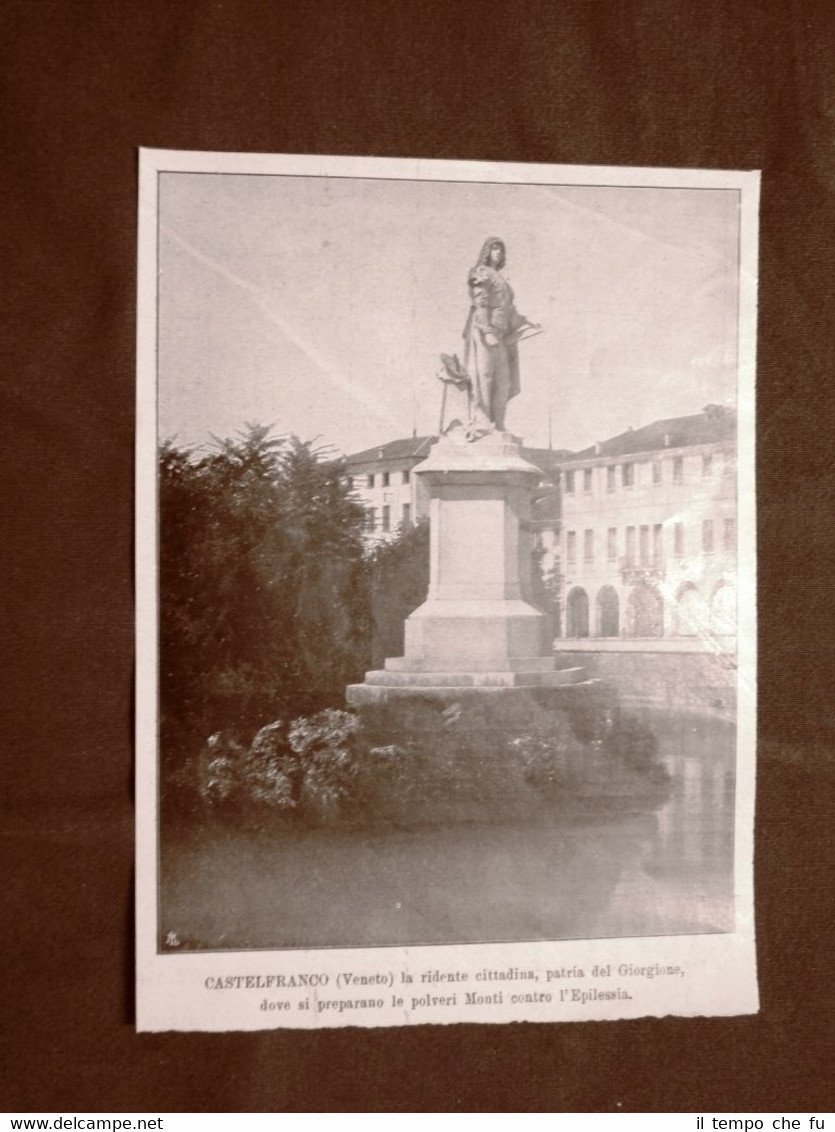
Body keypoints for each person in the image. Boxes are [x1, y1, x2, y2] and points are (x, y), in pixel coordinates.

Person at [463, 237, 535, 437]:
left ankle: (499, 423)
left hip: (501, 335)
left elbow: (509, 311)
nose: (499, 252)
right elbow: (480, 303)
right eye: (495, 248)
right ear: (487, 251)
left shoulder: (503, 281)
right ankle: (483, 422)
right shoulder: (481, 272)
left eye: (501, 249)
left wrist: (527, 323)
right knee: (485, 377)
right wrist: (486, 331)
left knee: (504, 380)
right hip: (484, 331)